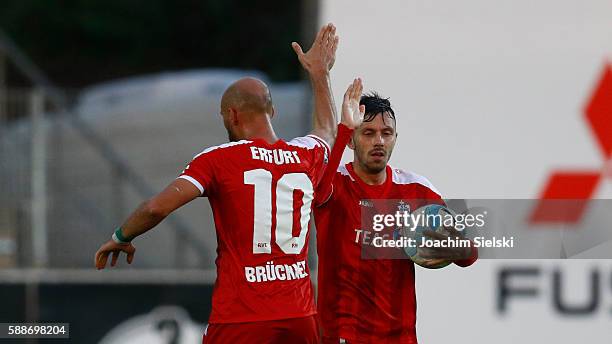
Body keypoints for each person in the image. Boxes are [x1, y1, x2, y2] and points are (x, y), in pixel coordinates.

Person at [93, 24, 359, 343]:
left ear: (231, 115)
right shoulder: (305, 154)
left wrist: (122, 235)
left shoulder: (219, 159)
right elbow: (328, 132)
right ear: (272, 111)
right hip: (299, 317)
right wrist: (320, 74)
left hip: (241, 317)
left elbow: (155, 207)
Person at [314, 92, 478, 344]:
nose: (378, 141)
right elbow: (317, 193)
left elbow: (469, 258)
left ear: (395, 139)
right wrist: (342, 128)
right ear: (351, 140)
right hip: (343, 335)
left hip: (401, 337)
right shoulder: (334, 182)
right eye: (368, 133)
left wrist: (453, 242)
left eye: (386, 133)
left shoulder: (416, 189)